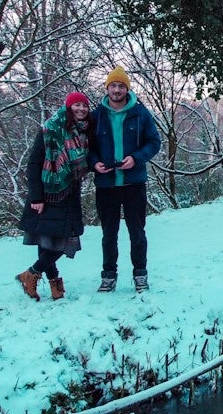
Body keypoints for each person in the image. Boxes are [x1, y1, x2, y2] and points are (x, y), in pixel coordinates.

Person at [89, 66, 161, 293]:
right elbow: (86, 146)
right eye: (113, 85)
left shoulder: (141, 113)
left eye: (121, 86)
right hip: (106, 184)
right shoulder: (96, 116)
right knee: (108, 233)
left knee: (137, 232)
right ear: (107, 88)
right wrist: (94, 163)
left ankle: (140, 274)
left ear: (127, 89)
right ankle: (108, 275)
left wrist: (136, 159)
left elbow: (154, 142)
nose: (117, 89)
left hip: (134, 183)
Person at [15, 92, 93, 301]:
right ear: (68, 107)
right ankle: (36, 276)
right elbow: (33, 164)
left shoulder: (84, 133)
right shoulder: (49, 130)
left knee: (54, 240)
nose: (81, 109)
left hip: (70, 193)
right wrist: (36, 197)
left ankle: (49, 282)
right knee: (53, 241)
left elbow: (88, 160)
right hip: (48, 194)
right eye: (76, 105)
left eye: (84, 106)